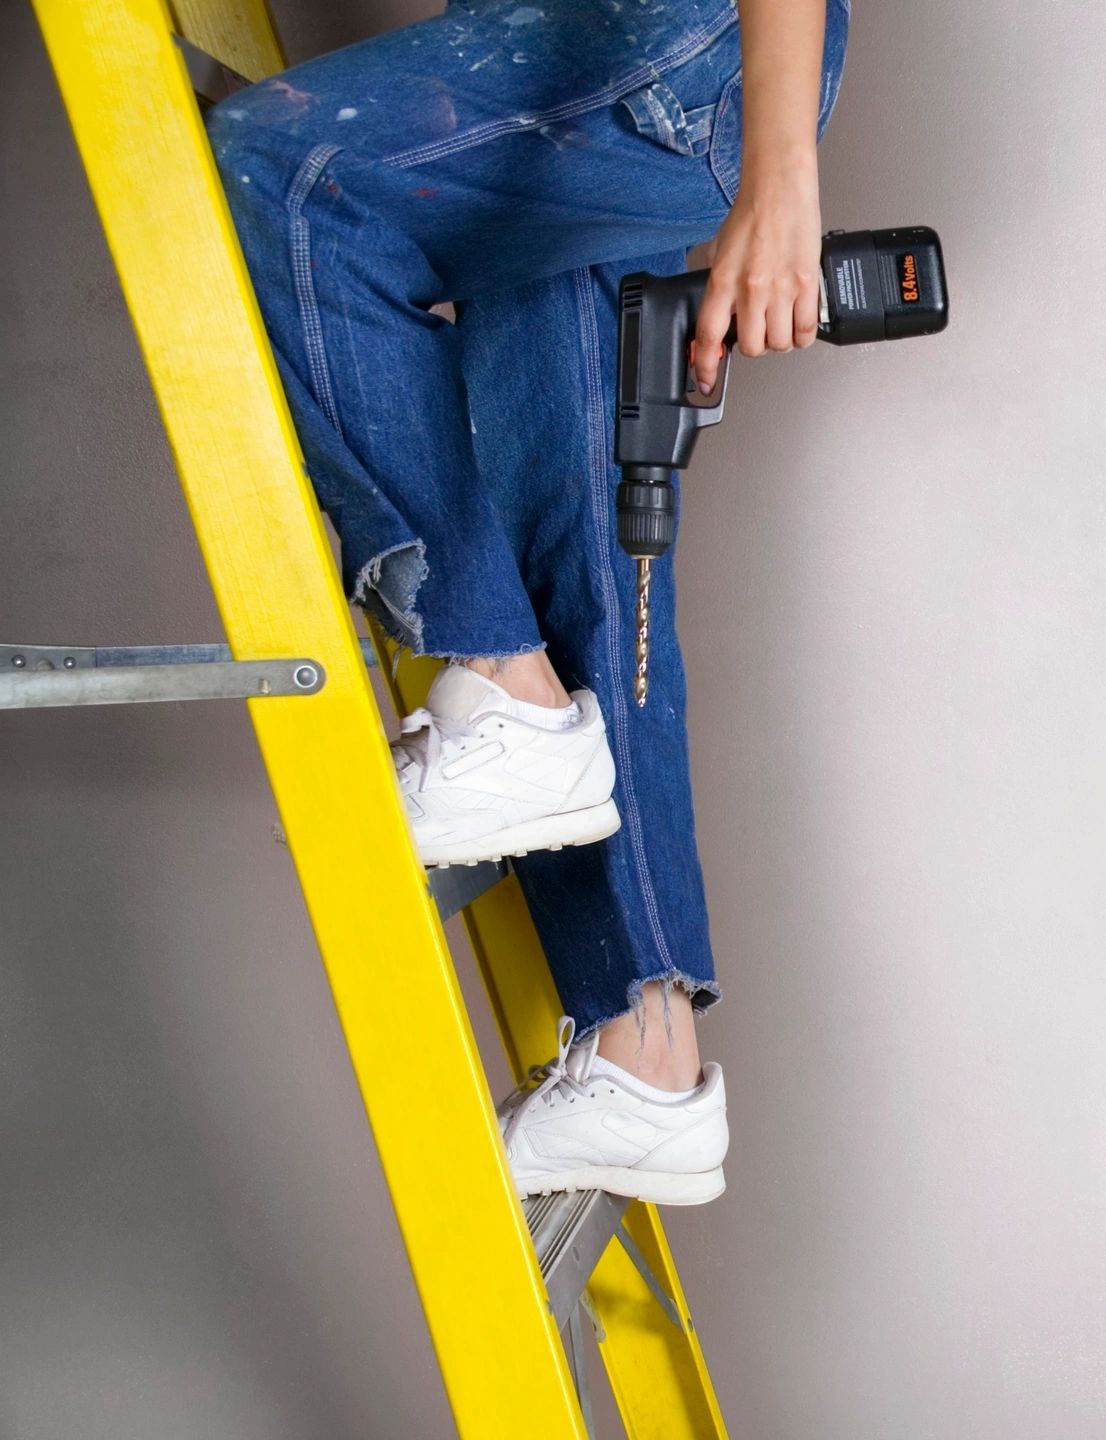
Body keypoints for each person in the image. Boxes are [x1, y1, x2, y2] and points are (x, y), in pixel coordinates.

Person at [207, 0, 848, 1206]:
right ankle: (644, 1057)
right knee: (577, 536)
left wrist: (780, 178)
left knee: (291, 171)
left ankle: (502, 686)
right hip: (583, 54)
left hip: (647, 47)